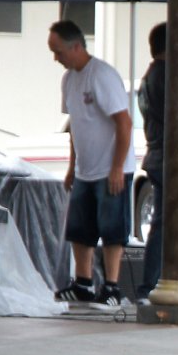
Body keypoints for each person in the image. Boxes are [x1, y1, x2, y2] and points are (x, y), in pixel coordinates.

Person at [47, 18, 134, 305]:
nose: (56, 58)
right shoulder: (68, 80)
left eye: (58, 51)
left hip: (111, 167)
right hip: (85, 168)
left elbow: (124, 123)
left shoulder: (102, 76)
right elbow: (76, 126)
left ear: (75, 47)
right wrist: (73, 166)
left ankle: (111, 285)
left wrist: (118, 166)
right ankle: (83, 281)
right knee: (80, 228)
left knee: (111, 229)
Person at [135, 22, 167, 303]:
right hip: (166, 156)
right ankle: (149, 285)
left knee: (162, 222)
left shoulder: (150, 76)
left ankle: (150, 283)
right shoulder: (164, 76)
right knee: (163, 222)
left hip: (156, 154)